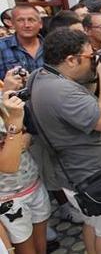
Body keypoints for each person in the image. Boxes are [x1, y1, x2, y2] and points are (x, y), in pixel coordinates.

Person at [28, 28, 101, 253]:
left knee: (94, 224)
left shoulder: (44, 76)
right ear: (71, 60)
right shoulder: (61, 91)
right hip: (93, 176)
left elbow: (86, 96)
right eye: (89, 56)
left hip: (80, 174)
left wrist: (95, 73)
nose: (94, 60)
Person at [0, 86, 51, 254]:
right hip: (8, 198)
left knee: (40, 245)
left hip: (32, 183)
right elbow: (8, 165)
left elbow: (27, 135)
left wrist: (17, 138)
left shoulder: (3, 98)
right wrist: (14, 127)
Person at [0, 5, 44, 79]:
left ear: (40, 24)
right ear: (12, 24)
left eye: (31, 20)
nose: (26, 25)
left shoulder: (52, 46)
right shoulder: (1, 48)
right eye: (20, 20)